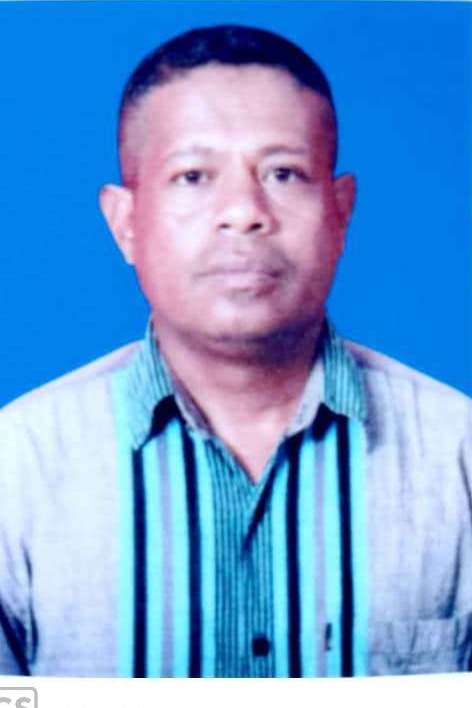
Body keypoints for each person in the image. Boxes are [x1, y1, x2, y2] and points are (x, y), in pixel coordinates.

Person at [0, 24, 471, 679]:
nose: (244, 212)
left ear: (340, 212)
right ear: (125, 222)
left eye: (283, 173)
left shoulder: (458, 454)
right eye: (193, 176)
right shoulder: (18, 469)